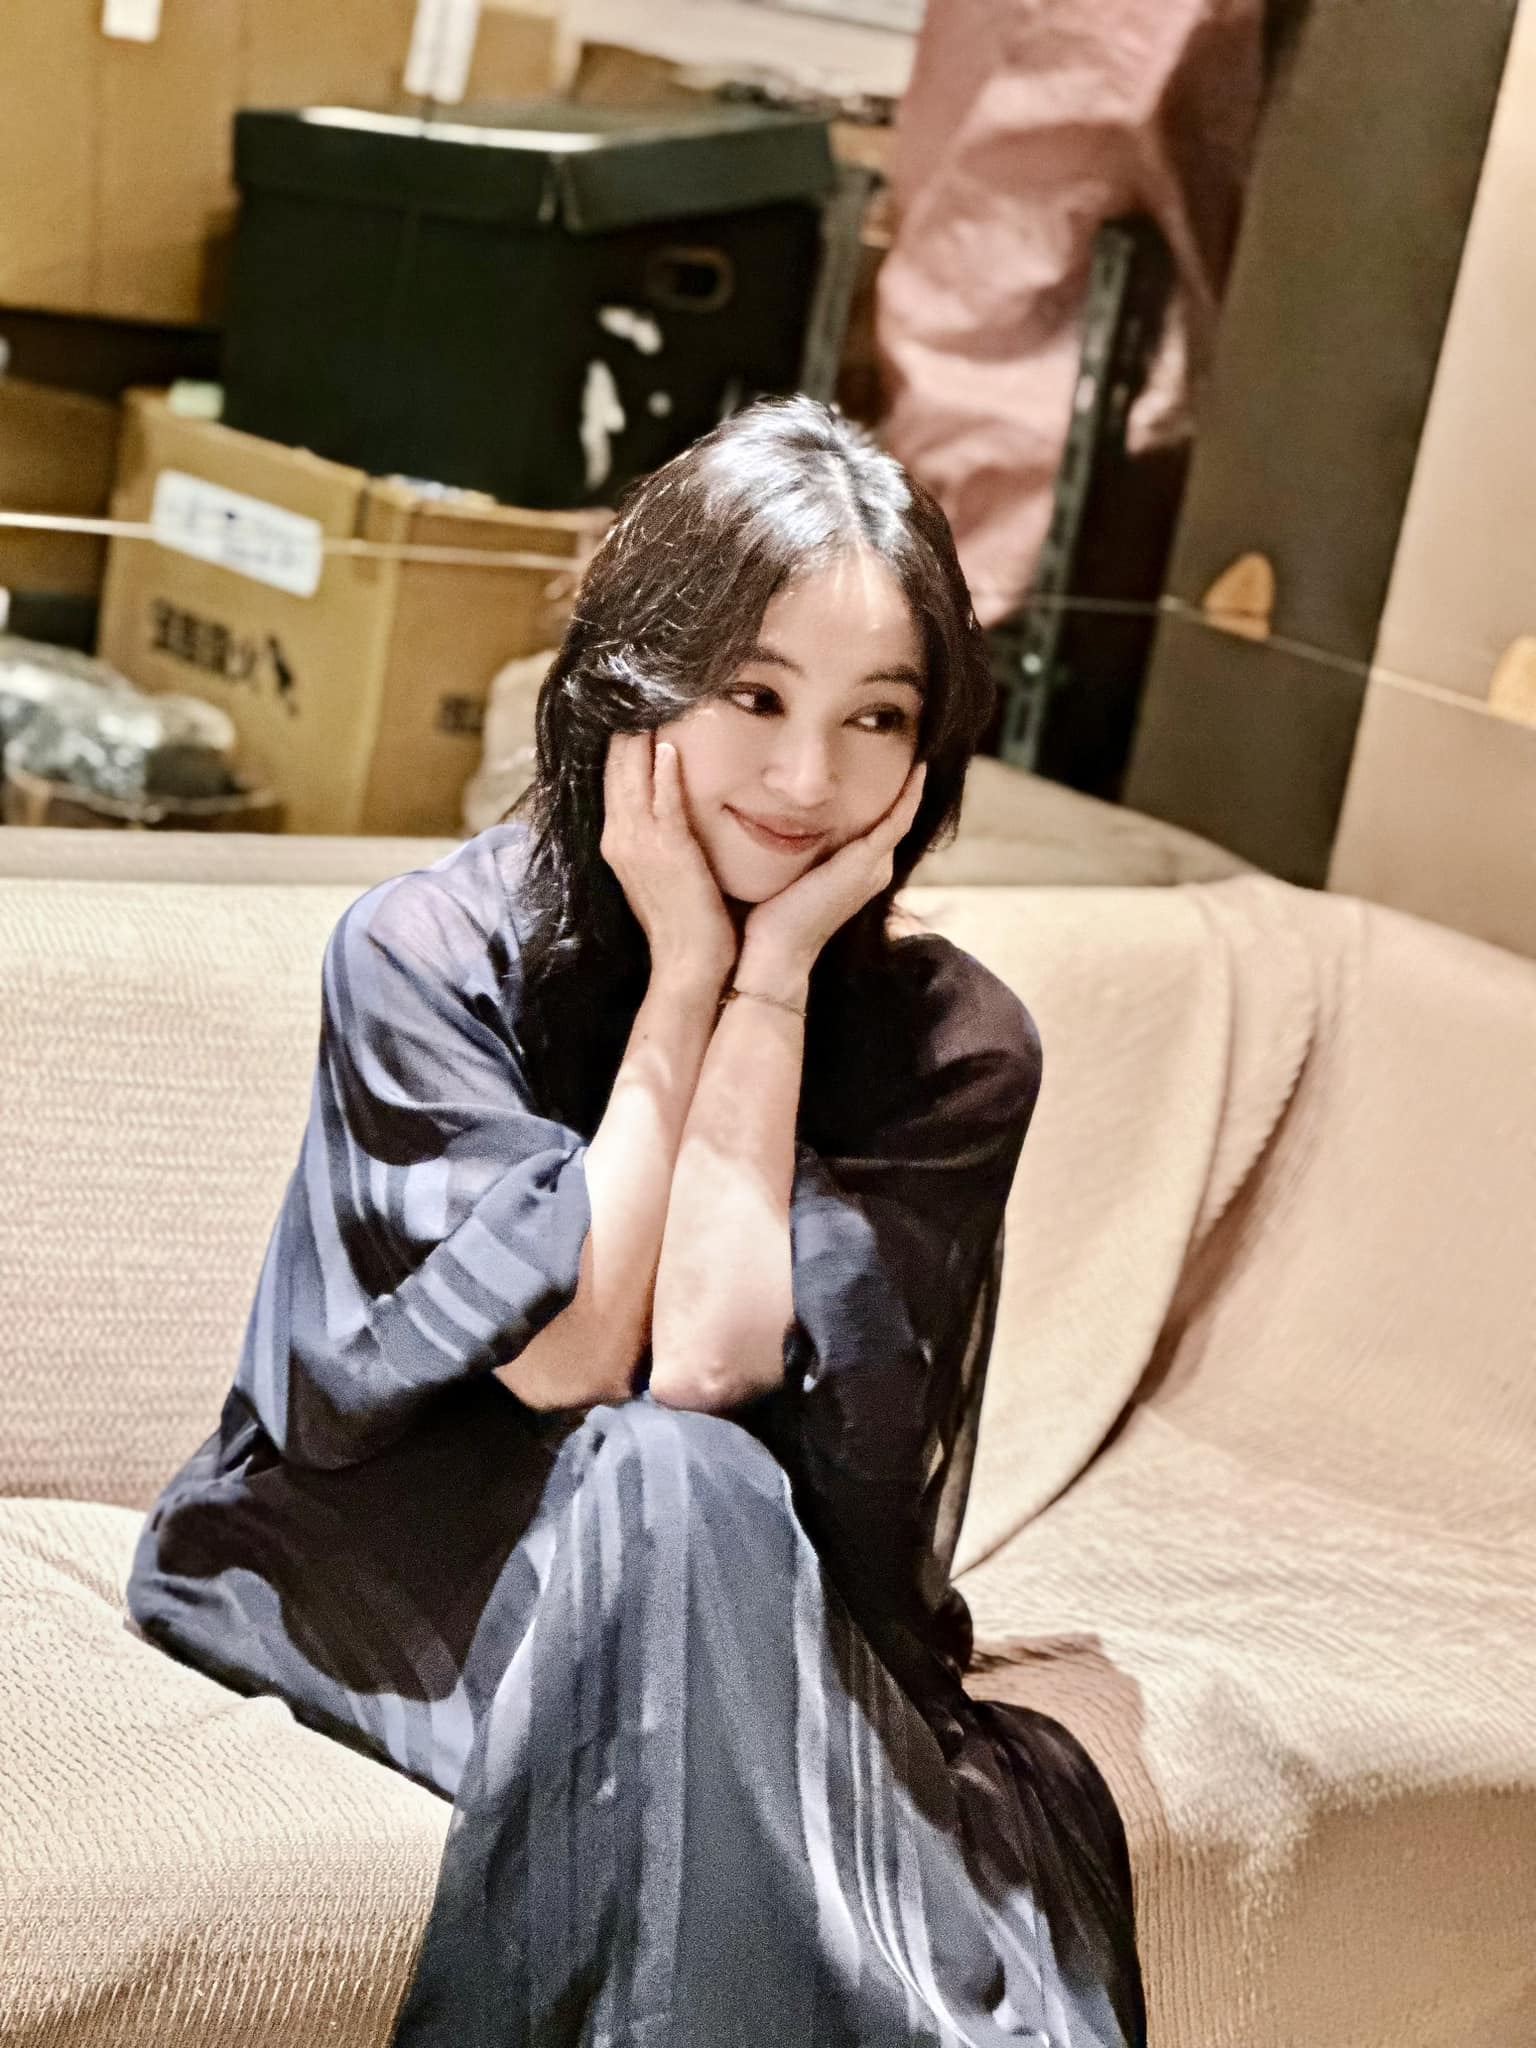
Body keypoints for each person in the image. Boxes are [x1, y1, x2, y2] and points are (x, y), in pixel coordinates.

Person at [126, 396, 1147, 2047]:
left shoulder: (959, 1047)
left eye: (877, 717)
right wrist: (683, 984)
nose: (809, 779)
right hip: (403, 1563)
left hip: (750, 1579)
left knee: (682, 1480)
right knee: (675, 1487)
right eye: (754, 694)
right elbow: (578, 1355)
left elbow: (709, 1361)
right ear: (635, 684)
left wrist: (770, 984)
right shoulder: (425, 955)